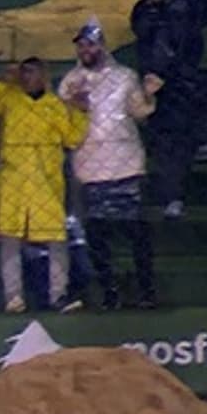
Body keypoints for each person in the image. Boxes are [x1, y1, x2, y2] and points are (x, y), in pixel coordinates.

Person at [61, 20, 162, 310]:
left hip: (126, 164)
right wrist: (74, 107)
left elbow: (139, 112)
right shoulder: (70, 82)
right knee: (97, 236)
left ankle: (146, 290)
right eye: (81, 45)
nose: (85, 50)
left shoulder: (124, 76)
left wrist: (149, 93)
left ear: (102, 46)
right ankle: (110, 291)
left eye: (90, 44)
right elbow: (62, 125)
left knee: (136, 233)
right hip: (90, 168)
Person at [0, 56, 89, 314]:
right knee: (10, 239)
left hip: (46, 181)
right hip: (14, 178)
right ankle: (13, 297)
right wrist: (3, 80)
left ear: (44, 75)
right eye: (24, 72)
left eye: (32, 72)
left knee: (56, 239)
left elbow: (72, 138)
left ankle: (58, 295)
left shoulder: (55, 105)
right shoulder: (9, 97)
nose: (27, 77)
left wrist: (79, 112)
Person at [130, 0, 207, 219]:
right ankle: (171, 198)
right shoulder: (148, 13)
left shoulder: (186, 6)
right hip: (161, 87)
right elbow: (152, 41)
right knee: (171, 140)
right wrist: (155, 75)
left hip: (185, 80)